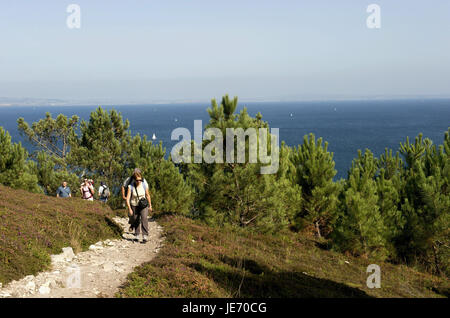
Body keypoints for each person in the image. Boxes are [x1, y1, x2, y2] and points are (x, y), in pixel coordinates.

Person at [126, 170, 152, 243]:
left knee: (144, 218)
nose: (139, 181)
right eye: (137, 180)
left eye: (140, 179)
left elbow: (147, 195)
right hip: (134, 205)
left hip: (143, 205)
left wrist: (150, 205)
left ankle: (145, 236)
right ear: (134, 179)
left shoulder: (144, 185)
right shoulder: (130, 187)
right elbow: (127, 198)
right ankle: (137, 235)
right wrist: (129, 208)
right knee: (136, 219)